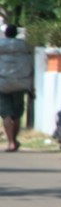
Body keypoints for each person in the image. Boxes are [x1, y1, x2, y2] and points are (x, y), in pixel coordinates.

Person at [0, 22, 34, 152]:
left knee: (6, 115)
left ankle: (10, 142)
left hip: (2, 84)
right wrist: (32, 87)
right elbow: (31, 68)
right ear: (16, 34)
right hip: (21, 84)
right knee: (17, 114)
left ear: (5, 34)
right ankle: (14, 139)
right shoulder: (24, 47)